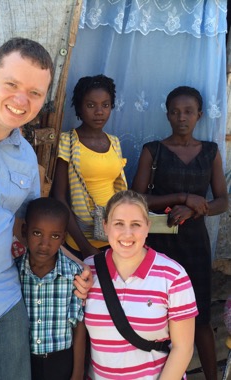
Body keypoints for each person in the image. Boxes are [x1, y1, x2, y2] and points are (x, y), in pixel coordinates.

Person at [0, 37, 91, 380]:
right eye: (12, 84)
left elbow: (30, 229)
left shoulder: (25, 157)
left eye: (36, 93)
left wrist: (79, 269)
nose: (22, 100)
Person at [132, 86, 229, 380]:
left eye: (188, 112)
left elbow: (223, 201)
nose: (181, 117)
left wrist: (195, 209)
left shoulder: (210, 151)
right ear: (167, 115)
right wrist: (182, 198)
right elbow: (136, 199)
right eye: (175, 112)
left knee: (198, 316)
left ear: (199, 115)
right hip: (159, 244)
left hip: (195, 245)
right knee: (158, 314)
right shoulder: (154, 150)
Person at [84, 190, 198, 379]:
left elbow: (183, 349)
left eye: (135, 224)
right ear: (105, 226)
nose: (127, 234)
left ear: (147, 227)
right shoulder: (87, 272)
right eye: (118, 224)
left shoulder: (173, 276)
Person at [52, 74, 127, 259]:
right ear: (79, 107)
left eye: (105, 105)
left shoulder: (114, 142)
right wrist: (84, 246)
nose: (99, 111)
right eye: (91, 105)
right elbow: (59, 197)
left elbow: (120, 189)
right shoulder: (68, 141)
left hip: (116, 233)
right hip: (80, 237)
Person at [16, 197, 86, 380]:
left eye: (54, 236)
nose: (44, 244)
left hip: (61, 362)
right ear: (25, 231)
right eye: (37, 233)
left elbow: (78, 326)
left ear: (63, 238)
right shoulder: (13, 272)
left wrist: (77, 373)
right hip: (24, 362)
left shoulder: (73, 274)